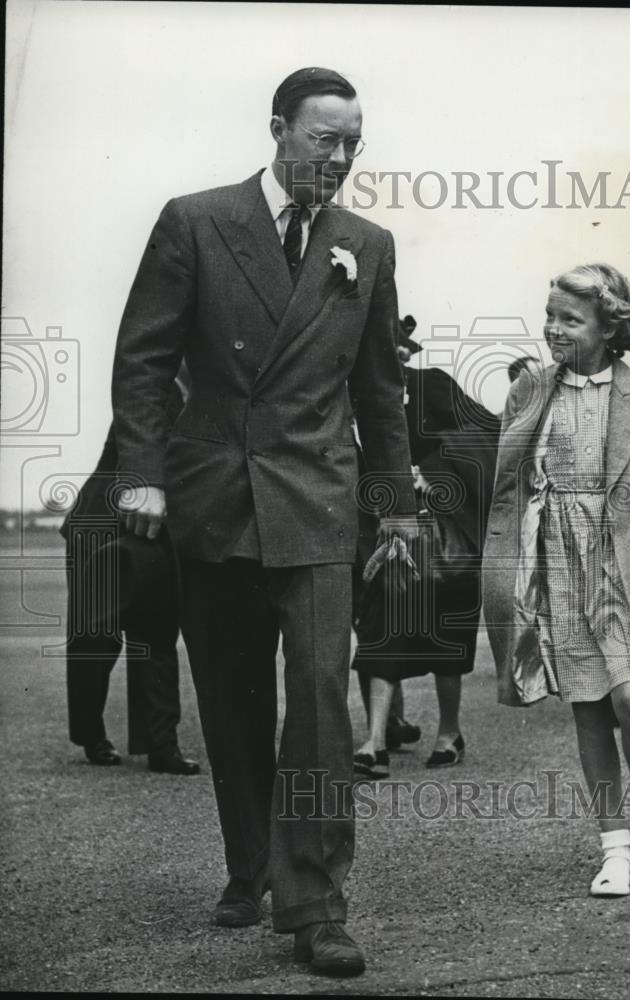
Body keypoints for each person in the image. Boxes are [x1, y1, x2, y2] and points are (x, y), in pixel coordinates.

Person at [111, 67, 416, 977]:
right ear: (279, 130)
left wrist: (395, 507)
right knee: (236, 701)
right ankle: (250, 870)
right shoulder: (195, 220)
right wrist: (142, 476)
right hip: (216, 498)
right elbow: (144, 359)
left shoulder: (368, 241)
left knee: (320, 703)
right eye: (325, 138)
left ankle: (316, 904)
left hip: (318, 502)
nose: (342, 156)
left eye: (355, 141)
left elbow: (380, 390)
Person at [483, 262, 630, 896]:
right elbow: (510, 479)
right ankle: (613, 846)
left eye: (571, 320)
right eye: (550, 315)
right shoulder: (531, 388)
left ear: (611, 327)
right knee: (587, 706)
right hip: (558, 561)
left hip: (622, 569)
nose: (555, 329)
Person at [352, 318, 501, 777]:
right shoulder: (348, 398)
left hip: (443, 536)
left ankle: (449, 732)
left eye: (396, 350)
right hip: (382, 533)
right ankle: (375, 739)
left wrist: (431, 471)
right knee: (378, 630)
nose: (392, 358)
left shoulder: (430, 385)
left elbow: (487, 433)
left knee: (444, 634)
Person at [62, 380, 199, 776]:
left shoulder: (199, 393)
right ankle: (91, 734)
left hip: (148, 526)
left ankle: (161, 746)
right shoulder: (153, 391)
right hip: (101, 525)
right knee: (96, 637)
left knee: (156, 632)